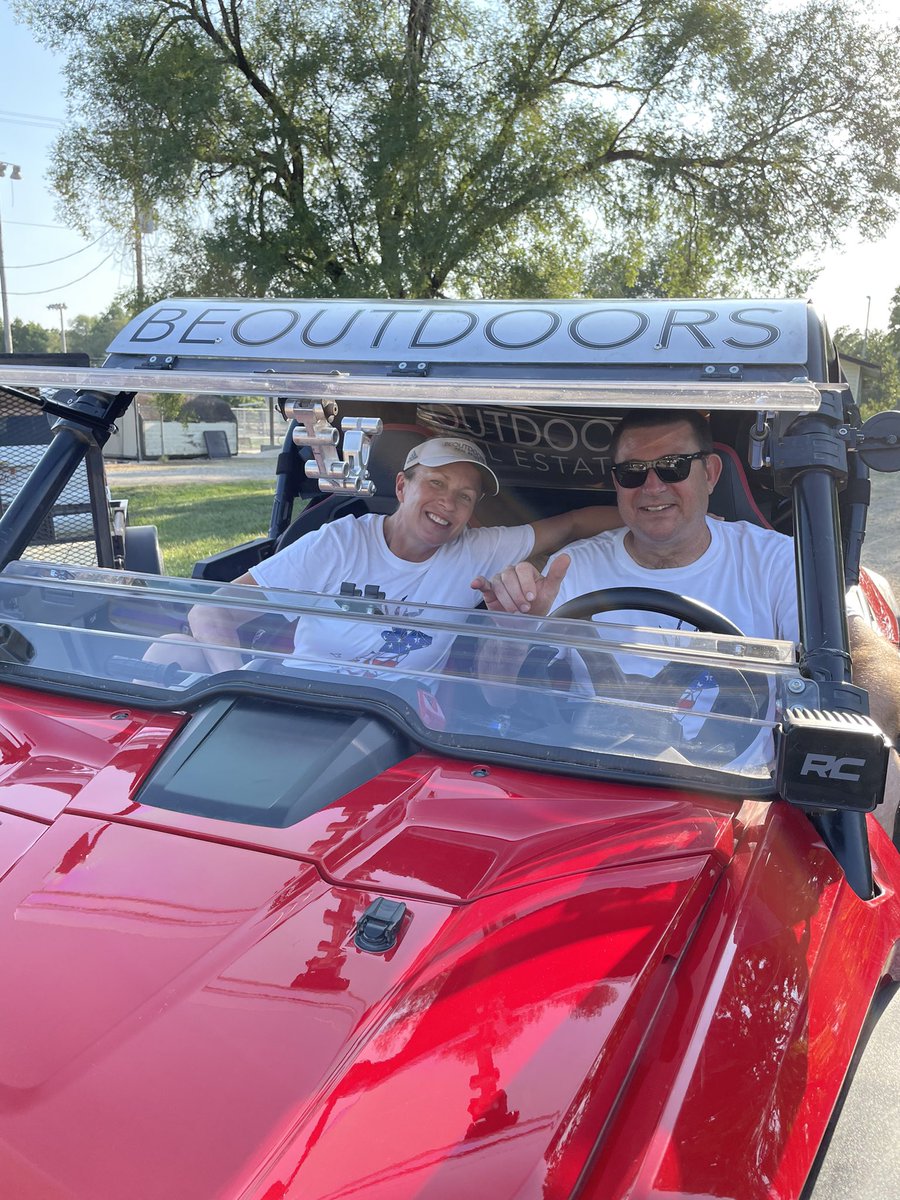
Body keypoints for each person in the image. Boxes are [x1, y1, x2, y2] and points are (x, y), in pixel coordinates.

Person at [476, 410, 900, 835]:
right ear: (616, 483)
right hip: (601, 783)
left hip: (750, 798)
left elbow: (863, 652)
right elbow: (494, 696)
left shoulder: (779, 561)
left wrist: (842, 740)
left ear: (710, 473)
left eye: (673, 467)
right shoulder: (573, 567)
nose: (653, 486)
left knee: (884, 768)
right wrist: (513, 633)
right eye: (632, 473)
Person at [146, 436, 622, 677]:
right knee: (170, 649)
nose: (448, 504)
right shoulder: (340, 542)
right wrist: (237, 685)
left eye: (465, 496)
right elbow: (211, 608)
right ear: (402, 486)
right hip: (306, 696)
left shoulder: (478, 547)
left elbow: (574, 524)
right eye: (436, 484)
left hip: (404, 719)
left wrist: (650, 514)